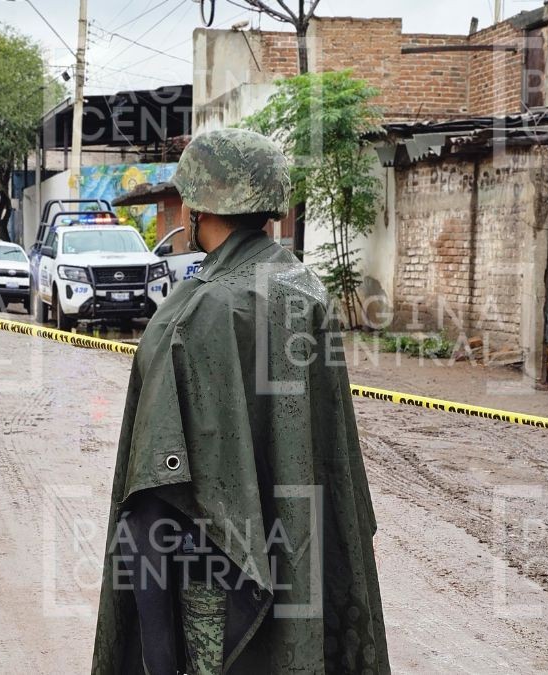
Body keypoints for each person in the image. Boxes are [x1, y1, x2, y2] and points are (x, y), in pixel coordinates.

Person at [92, 129, 390, 675]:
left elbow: (155, 497)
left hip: (217, 590)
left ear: (195, 205)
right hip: (296, 554)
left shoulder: (195, 312)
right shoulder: (305, 287)